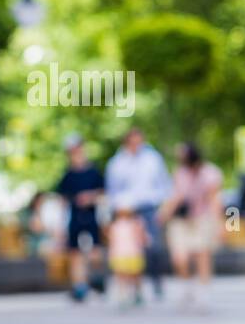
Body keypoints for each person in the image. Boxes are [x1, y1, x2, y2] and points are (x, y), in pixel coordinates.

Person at [105, 127, 171, 301]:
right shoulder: (117, 163)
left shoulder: (152, 159)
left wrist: (163, 205)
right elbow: (112, 189)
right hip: (126, 211)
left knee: (153, 247)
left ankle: (155, 281)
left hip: (149, 207)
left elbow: (164, 183)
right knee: (128, 251)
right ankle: (131, 287)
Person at [160, 141, 224, 311]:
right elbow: (176, 196)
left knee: (202, 255)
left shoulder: (210, 173)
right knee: (179, 257)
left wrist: (223, 225)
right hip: (181, 220)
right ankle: (186, 285)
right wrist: (164, 214)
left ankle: (203, 293)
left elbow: (215, 200)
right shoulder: (180, 173)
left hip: (202, 218)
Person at [55, 133, 106, 302]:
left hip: (92, 216)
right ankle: (80, 286)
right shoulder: (68, 174)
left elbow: (103, 192)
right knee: (75, 253)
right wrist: (60, 225)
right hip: (75, 217)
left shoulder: (93, 172)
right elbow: (62, 199)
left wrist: (90, 197)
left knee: (95, 252)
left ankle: (97, 279)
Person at [107, 200, 149, 307]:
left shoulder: (137, 223)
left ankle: (137, 292)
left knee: (135, 275)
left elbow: (142, 237)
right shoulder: (115, 225)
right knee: (121, 275)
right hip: (120, 253)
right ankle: (123, 294)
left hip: (133, 252)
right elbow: (111, 240)